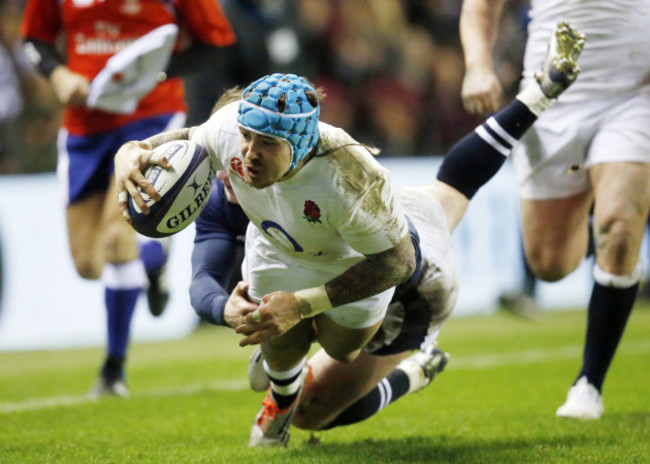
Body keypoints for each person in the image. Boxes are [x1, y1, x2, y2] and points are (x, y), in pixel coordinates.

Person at [115, 21, 584, 445]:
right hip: (304, 246)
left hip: (400, 272)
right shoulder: (228, 137)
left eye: (268, 145)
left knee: (318, 405)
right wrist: (130, 152)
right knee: (278, 342)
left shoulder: (350, 177)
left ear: (301, 147)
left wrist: (301, 306)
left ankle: (416, 368)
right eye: (245, 139)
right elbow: (181, 150)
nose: (248, 156)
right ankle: (282, 387)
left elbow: (400, 261)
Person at [20, 0, 235, 397]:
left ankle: (112, 371)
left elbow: (215, 41)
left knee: (118, 240)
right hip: (84, 126)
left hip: (150, 121)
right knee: (87, 263)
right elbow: (35, 37)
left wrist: (153, 74)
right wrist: (58, 74)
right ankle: (153, 260)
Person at [460, 0, 650, 420]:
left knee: (618, 226)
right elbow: (481, 7)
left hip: (635, 92)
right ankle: (594, 224)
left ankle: (589, 384)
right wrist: (478, 65)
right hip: (553, 93)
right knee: (549, 263)